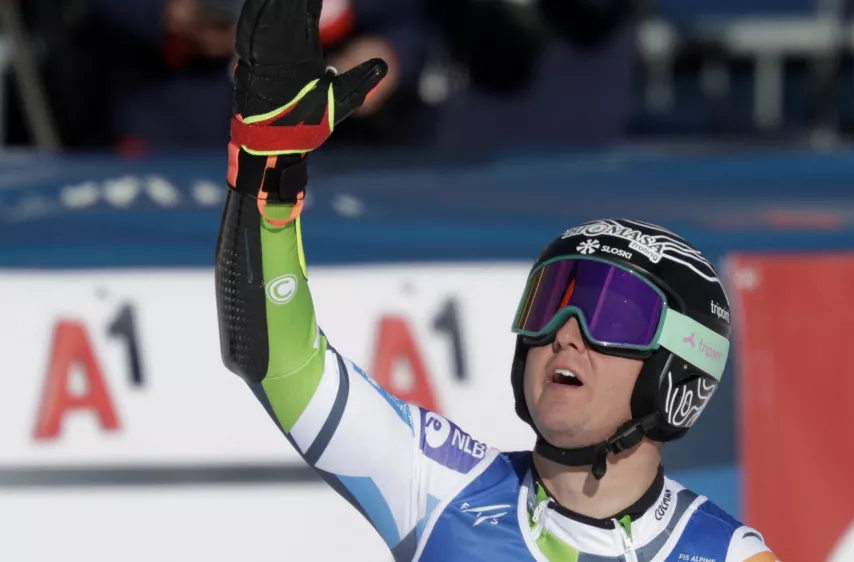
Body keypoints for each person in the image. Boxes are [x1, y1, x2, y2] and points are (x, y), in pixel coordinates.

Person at [214, 0, 780, 560]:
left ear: (678, 375)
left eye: (610, 316)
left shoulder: (730, 556)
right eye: (550, 304)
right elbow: (279, 361)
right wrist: (270, 171)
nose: (564, 333)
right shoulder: (439, 488)